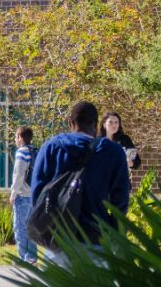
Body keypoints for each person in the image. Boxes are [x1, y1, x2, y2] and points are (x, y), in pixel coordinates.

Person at [29, 100, 130, 258]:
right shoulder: (113, 152)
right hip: (96, 238)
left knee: (58, 283)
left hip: (58, 239)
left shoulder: (51, 147)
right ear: (97, 124)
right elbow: (121, 199)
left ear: (70, 122)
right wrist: (112, 233)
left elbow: (37, 193)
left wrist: (45, 226)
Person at [9, 126, 38, 264]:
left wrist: (13, 193)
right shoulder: (35, 152)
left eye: (16, 137)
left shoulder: (21, 152)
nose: (15, 139)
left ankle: (22, 258)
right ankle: (32, 257)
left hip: (23, 195)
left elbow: (19, 175)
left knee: (19, 228)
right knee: (31, 228)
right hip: (34, 195)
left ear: (20, 138)